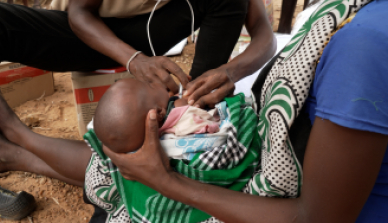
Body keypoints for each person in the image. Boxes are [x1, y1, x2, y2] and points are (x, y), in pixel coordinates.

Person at [1, 0, 388, 222]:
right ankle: (17, 142)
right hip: (88, 31)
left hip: (285, 200)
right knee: (140, 164)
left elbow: (315, 217)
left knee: (133, 177)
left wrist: (166, 181)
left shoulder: (365, 43)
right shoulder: (375, 16)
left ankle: (16, 145)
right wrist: (134, 62)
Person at [0, 0, 276, 108]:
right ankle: (9, 144)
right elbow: (80, 14)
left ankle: (194, 104)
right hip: (84, 36)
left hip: (155, 32)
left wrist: (229, 72)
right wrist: (134, 60)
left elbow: (265, 35)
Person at [84, 78, 259, 222]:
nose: (154, 80)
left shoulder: (133, 147)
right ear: (159, 113)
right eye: (149, 84)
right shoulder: (178, 105)